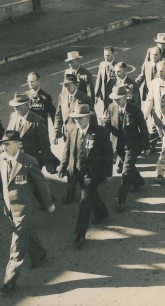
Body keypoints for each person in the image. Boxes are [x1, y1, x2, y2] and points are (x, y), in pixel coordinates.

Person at [0, 131, 55, 294]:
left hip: (24, 209)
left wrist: (49, 203)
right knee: (26, 233)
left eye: (8, 143)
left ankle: (9, 281)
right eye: (3, 143)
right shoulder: (1, 158)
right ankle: (39, 255)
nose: (4, 146)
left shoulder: (29, 162)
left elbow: (41, 183)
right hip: (9, 207)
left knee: (16, 245)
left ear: (18, 144)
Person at [59, 104, 112, 246]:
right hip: (77, 171)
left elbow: (107, 153)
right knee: (91, 196)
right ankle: (102, 213)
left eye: (80, 118)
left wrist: (108, 173)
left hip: (93, 174)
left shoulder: (100, 132)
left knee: (85, 202)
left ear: (88, 117)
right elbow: (67, 150)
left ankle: (80, 234)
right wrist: (63, 166)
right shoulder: (72, 130)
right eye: (75, 118)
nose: (77, 121)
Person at [103, 85, 150, 211]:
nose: (116, 101)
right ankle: (139, 181)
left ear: (125, 97)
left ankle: (120, 199)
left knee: (126, 172)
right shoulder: (111, 107)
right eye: (114, 99)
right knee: (129, 168)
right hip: (119, 145)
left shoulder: (134, 109)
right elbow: (107, 124)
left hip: (133, 145)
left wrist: (146, 145)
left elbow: (143, 127)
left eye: (119, 99)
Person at [7, 93, 59, 175]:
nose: (15, 108)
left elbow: (45, 144)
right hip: (16, 159)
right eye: (14, 105)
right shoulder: (13, 116)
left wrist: (49, 164)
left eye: (18, 105)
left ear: (27, 105)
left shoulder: (38, 121)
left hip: (32, 161)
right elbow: (8, 136)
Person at [54, 74, 95, 149]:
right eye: (65, 85)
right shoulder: (62, 96)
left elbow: (92, 117)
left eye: (69, 85)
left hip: (79, 134)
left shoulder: (85, 98)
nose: (66, 88)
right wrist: (56, 131)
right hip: (67, 134)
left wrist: (91, 136)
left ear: (75, 85)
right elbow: (58, 115)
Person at [94, 46, 117, 114]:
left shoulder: (117, 65)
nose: (106, 57)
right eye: (104, 55)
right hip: (104, 94)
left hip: (113, 94)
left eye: (108, 55)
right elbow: (99, 80)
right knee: (106, 112)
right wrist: (96, 95)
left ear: (113, 54)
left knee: (114, 112)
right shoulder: (102, 64)